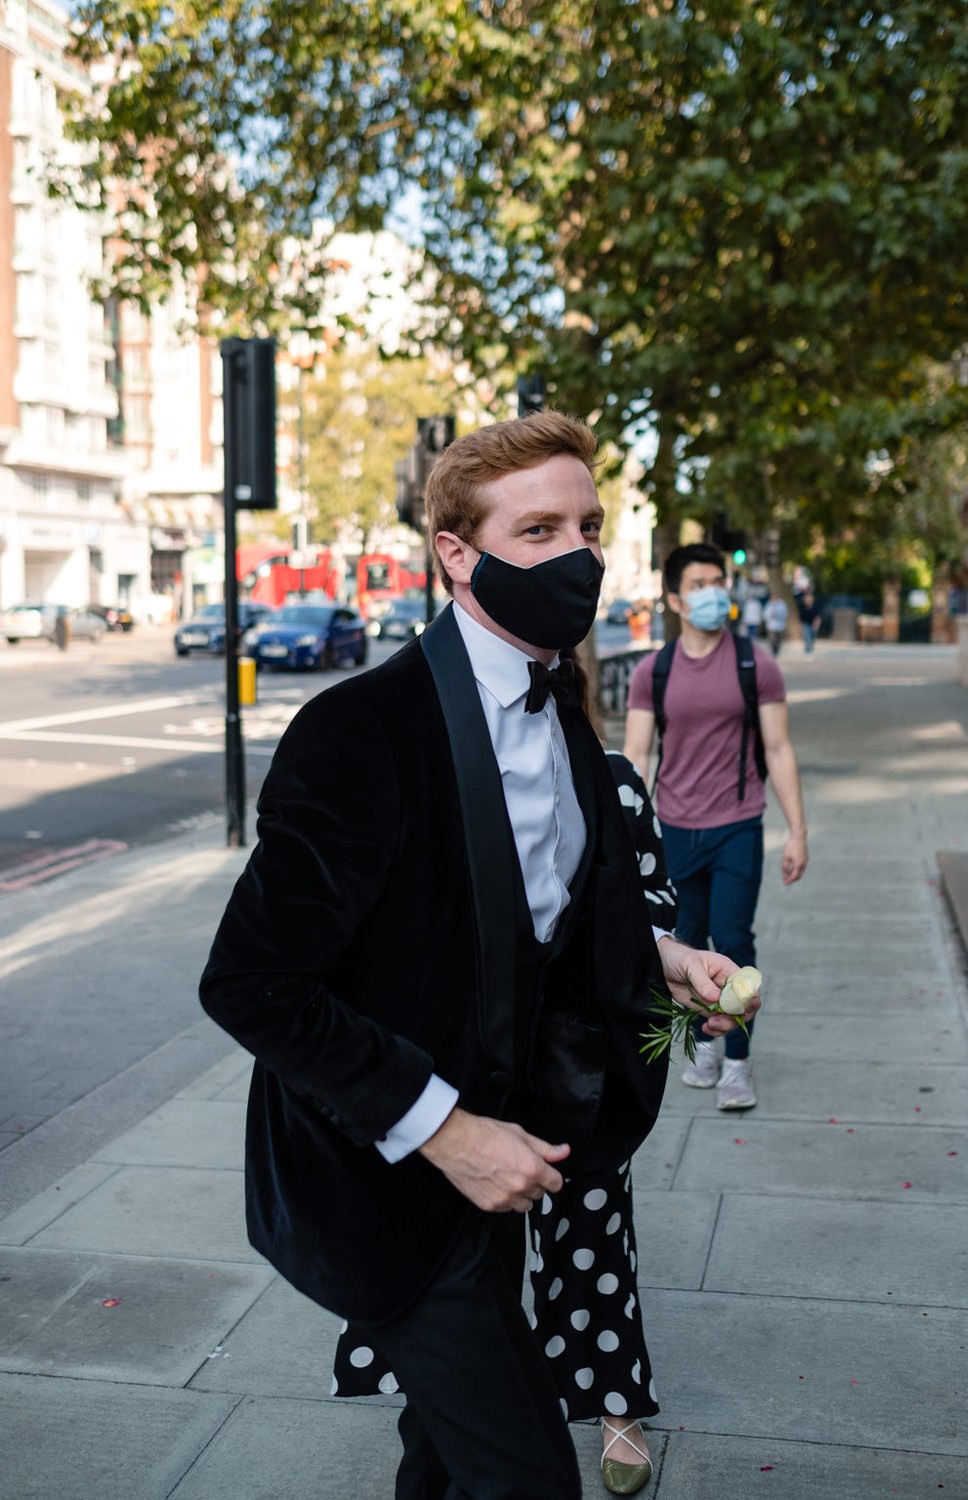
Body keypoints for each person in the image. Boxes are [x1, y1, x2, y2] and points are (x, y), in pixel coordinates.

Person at [199, 414, 750, 1500]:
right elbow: (249, 982)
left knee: (445, 1465)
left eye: (588, 526)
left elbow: (530, 905)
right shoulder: (362, 729)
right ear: (458, 553)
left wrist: (662, 954)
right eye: (538, 530)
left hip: (508, 1157)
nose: (579, 555)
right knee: (527, 1477)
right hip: (387, 1180)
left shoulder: (563, 702)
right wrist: (446, 1134)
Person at [623, 541, 808, 1110]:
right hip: (673, 830)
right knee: (686, 941)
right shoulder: (653, 671)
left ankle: (737, 1063)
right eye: (699, 584)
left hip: (737, 827)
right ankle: (707, 1042)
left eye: (717, 581)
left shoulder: (756, 664)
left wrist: (797, 831)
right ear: (676, 599)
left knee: (733, 941)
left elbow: (777, 748)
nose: (713, 593)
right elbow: (634, 762)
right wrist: (625, 842)